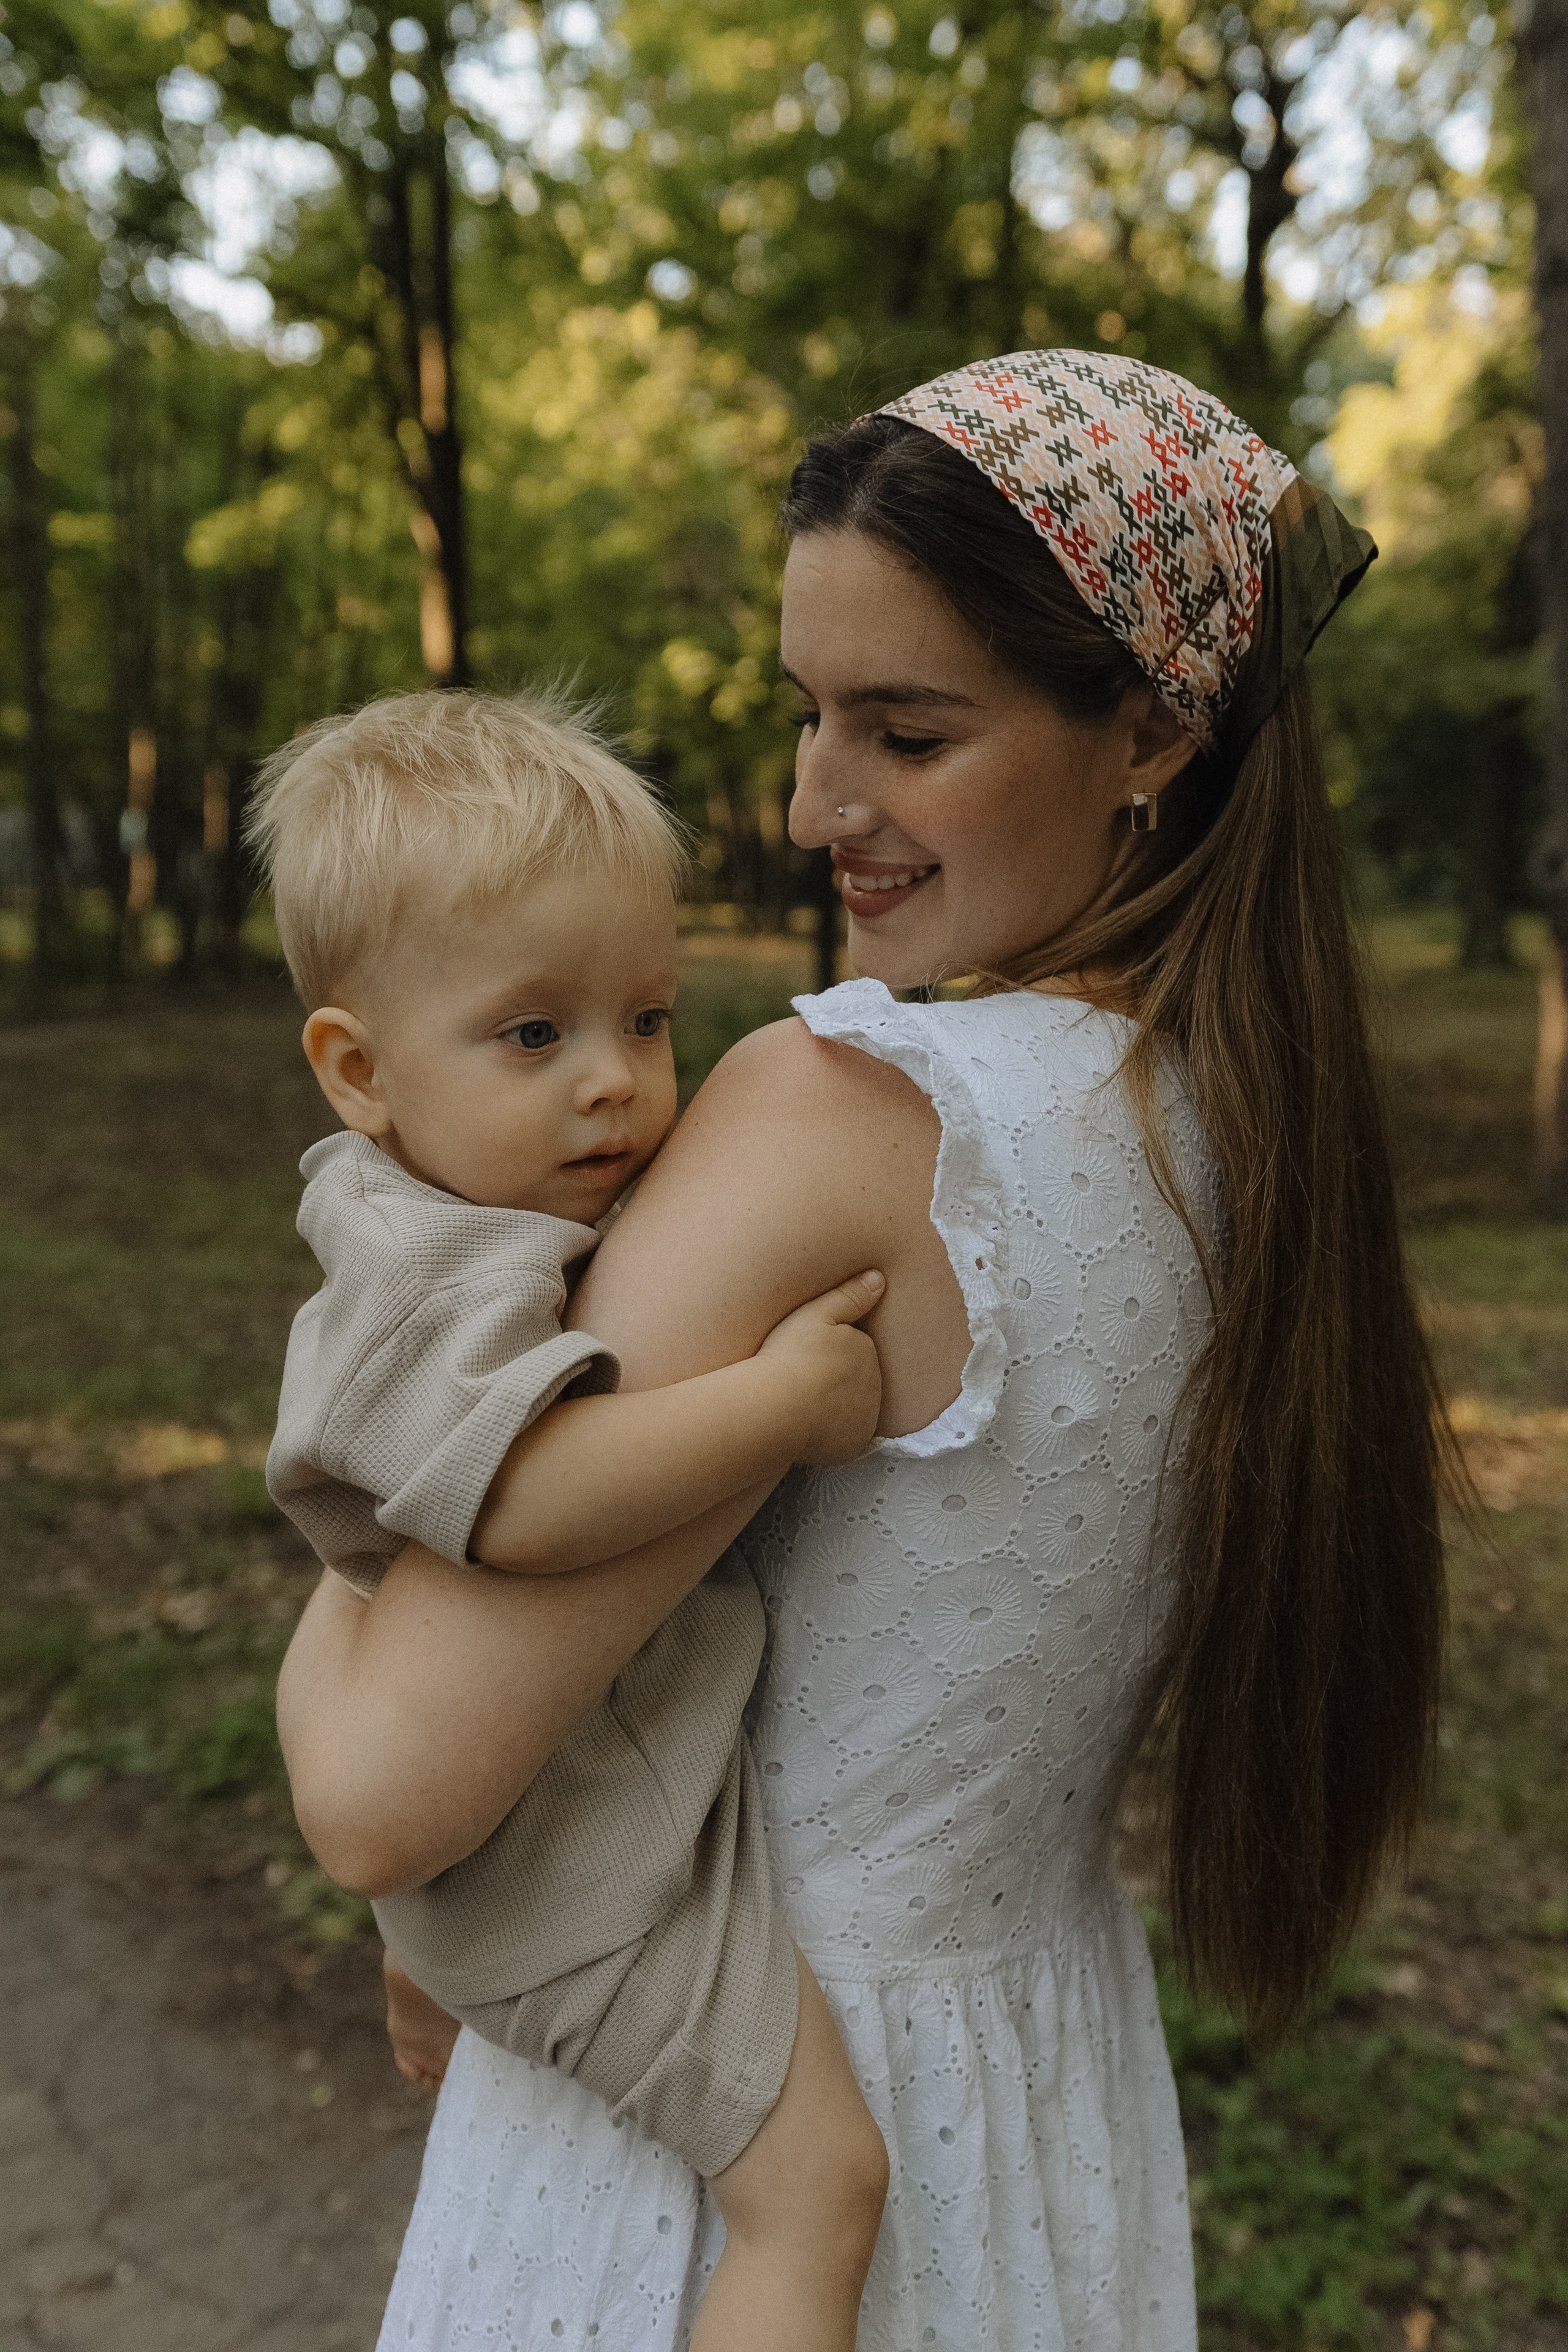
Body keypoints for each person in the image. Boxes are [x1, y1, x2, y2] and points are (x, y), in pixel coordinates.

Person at [277, 351, 1450, 2350]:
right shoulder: (1254, 1134)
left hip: (715, 2105)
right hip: (1035, 2081)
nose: (821, 805)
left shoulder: (845, 1112)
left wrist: (330, 1574)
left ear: (1155, 724)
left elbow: (389, 1795)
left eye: (907, 731)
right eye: (813, 717)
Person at [252, 689, 892, 2352]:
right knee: (818, 2191)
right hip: (567, 1856)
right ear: (359, 1072)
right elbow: (525, 1510)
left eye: (650, 1020)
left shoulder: (482, 1220)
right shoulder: (426, 1273)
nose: (615, 1085)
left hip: (552, 1797)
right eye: (534, 1037)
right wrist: (781, 1405)